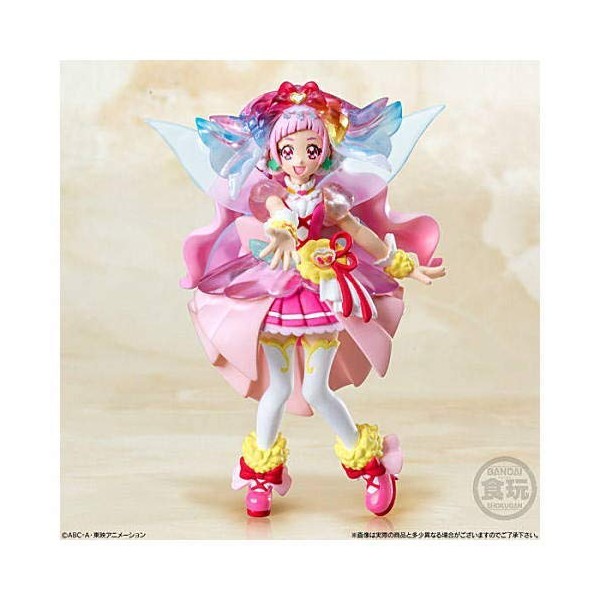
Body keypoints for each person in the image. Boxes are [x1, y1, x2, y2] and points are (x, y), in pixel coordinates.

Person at [149, 81, 446, 517]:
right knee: (276, 391)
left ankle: (371, 465)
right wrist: (281, 229)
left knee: (317, 391)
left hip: (321, 296)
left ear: (323, 152)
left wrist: (402, 264)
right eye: (289, 150)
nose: (300, 159)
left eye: (311, 148)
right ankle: (260, 475)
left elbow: (360, 233)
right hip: (276, 295)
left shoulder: (331, 198)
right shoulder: (268, 193)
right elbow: (275, 217)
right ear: (274, 155)